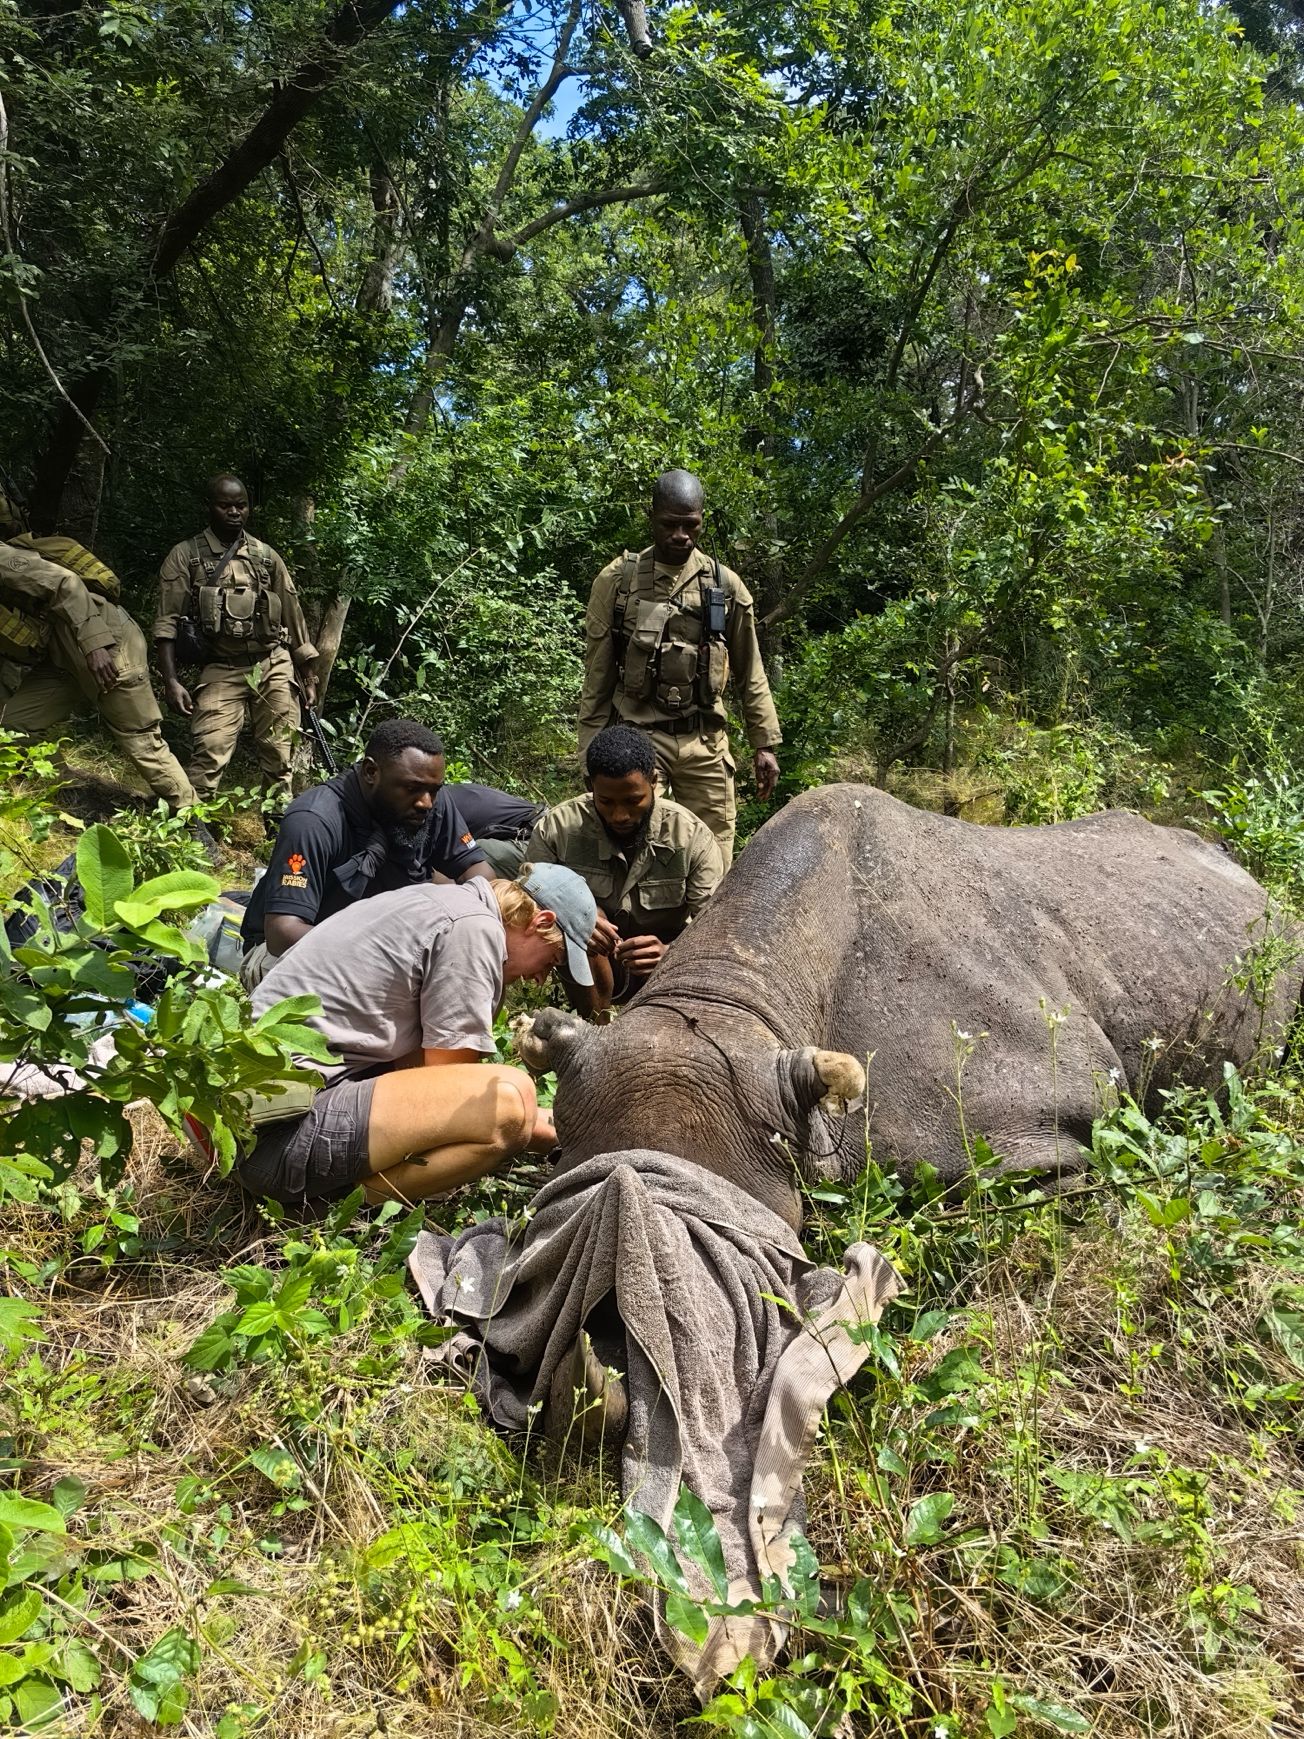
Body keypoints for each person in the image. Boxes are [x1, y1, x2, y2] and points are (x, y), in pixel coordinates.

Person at [233, 863, 597, 1205]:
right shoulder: (473, 928)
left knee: (510, 1101)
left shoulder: (437, 901)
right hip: (277, 1138)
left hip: (240, 1127)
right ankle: (332, 1208)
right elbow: (454, 1093)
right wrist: (569, 1131)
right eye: (551, 961)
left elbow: (410, 1072)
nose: (540, 979)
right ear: (541, 921)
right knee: (509, 1100)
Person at [578, 468, 781, 871]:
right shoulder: (619, 582)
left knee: (716, 857)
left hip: (704, 743)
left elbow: (750, 670)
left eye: (691, 525)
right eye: (670, 524)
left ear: (702, 520)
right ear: (651, 517)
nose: (680, 535)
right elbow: (597, 677)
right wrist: (589, 752)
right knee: (642, 852)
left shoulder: (724, 586)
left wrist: (764, 743)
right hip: (638, 739)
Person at [239, 718, 492, 989]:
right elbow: (283, 934)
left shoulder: (430, 804)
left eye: (434, 790)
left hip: (391, 947)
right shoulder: (314, 820)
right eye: (411, 788)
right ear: (371, 772)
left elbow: (479, 872)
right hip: (295, 954)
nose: (425, 803)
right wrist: (385, 959)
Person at [0, 491, 196, 807]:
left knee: (141, 741)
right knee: (13, 726)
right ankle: (68, 790)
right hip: (62, 657)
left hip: (109, 641)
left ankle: (189, 819)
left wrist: (95, 646)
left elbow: (66, 583)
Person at [527, 724, 722, 1011]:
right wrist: (573, 916)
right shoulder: (558, 829)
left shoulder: (691, 836)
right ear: (589, 786)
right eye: (606, 802)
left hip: (667, 970)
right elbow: (526, 903)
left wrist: (671, 954)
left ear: (653, 782)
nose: (620, 815)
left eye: (633, 801)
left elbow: (719, 928)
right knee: (576, 923)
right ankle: (593, 1024)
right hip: (590, 966)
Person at [155, 474, 318, 802]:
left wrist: (308, 674)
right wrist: (170, 680)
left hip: (272, 663)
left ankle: (276, 834)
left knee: (280, 755)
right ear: (209, 507)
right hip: (221, 666)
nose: (234, 512)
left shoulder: (267, 557)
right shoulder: (185, 556)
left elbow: (292, 613)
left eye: (241, 505)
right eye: (225, 505)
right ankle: (190, 830)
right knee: (209, 751)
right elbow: (166, 623)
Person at [450, 779, 547, 879]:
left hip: (540, 839)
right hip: (538, 822)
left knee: (469, 860)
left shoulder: (446, 812)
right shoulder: (455, 792)